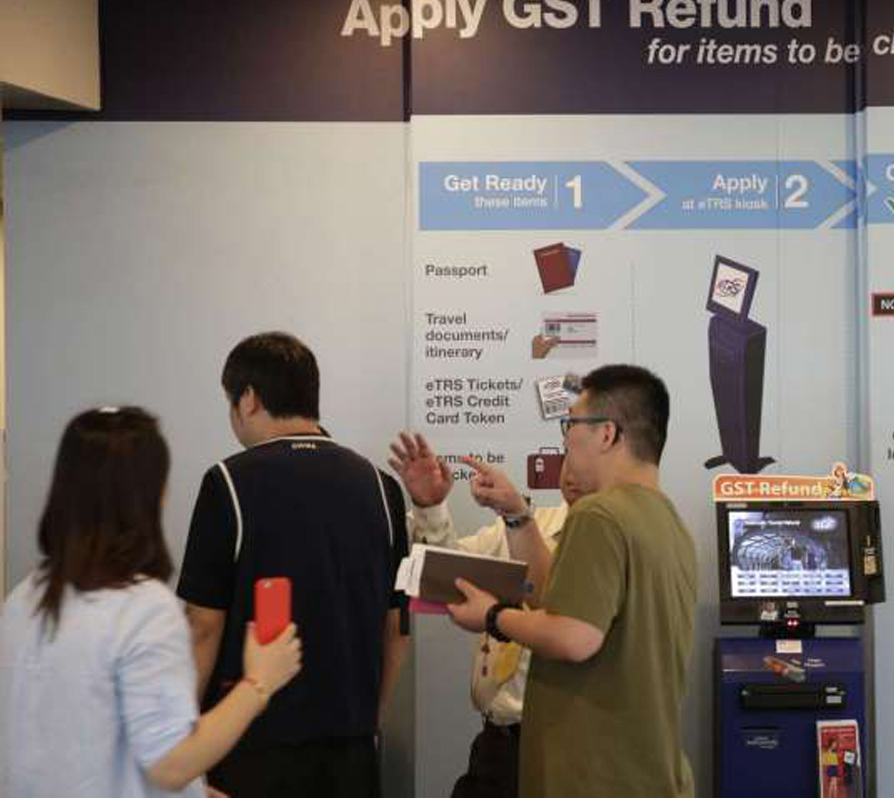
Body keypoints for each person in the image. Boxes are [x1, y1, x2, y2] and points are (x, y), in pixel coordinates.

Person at [0, 407, 301, 798]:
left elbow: (82, 736)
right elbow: (171, 763)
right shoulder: (143, 609)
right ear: (149, 494)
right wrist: (259, 682)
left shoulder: (24, 599)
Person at [447, 364, 698, 798]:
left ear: (606, 434)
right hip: (648, 773)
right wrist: (518, 516)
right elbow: (561, 600)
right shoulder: (668, 522)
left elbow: (574, 636)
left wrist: (492, 616)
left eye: (572, 425)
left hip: (595, 777)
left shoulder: (599, 514)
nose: (566, 440)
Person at [176, 332, 410, 798]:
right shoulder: (381, 487)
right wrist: (368, 722)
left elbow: (202, 625)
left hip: (248, 742)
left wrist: (186, 743)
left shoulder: (227, 483)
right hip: (351, 748)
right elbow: (397, 626)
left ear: (248, 399)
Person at [388, 431, 586, 798]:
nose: (572, 471)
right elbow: (449, 576)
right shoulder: (524, 525)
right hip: (499, 743)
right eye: (568, 456)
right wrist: (430, 508)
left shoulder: (624, 543)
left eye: (584, 456)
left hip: (572, 747)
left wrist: (496, 616)